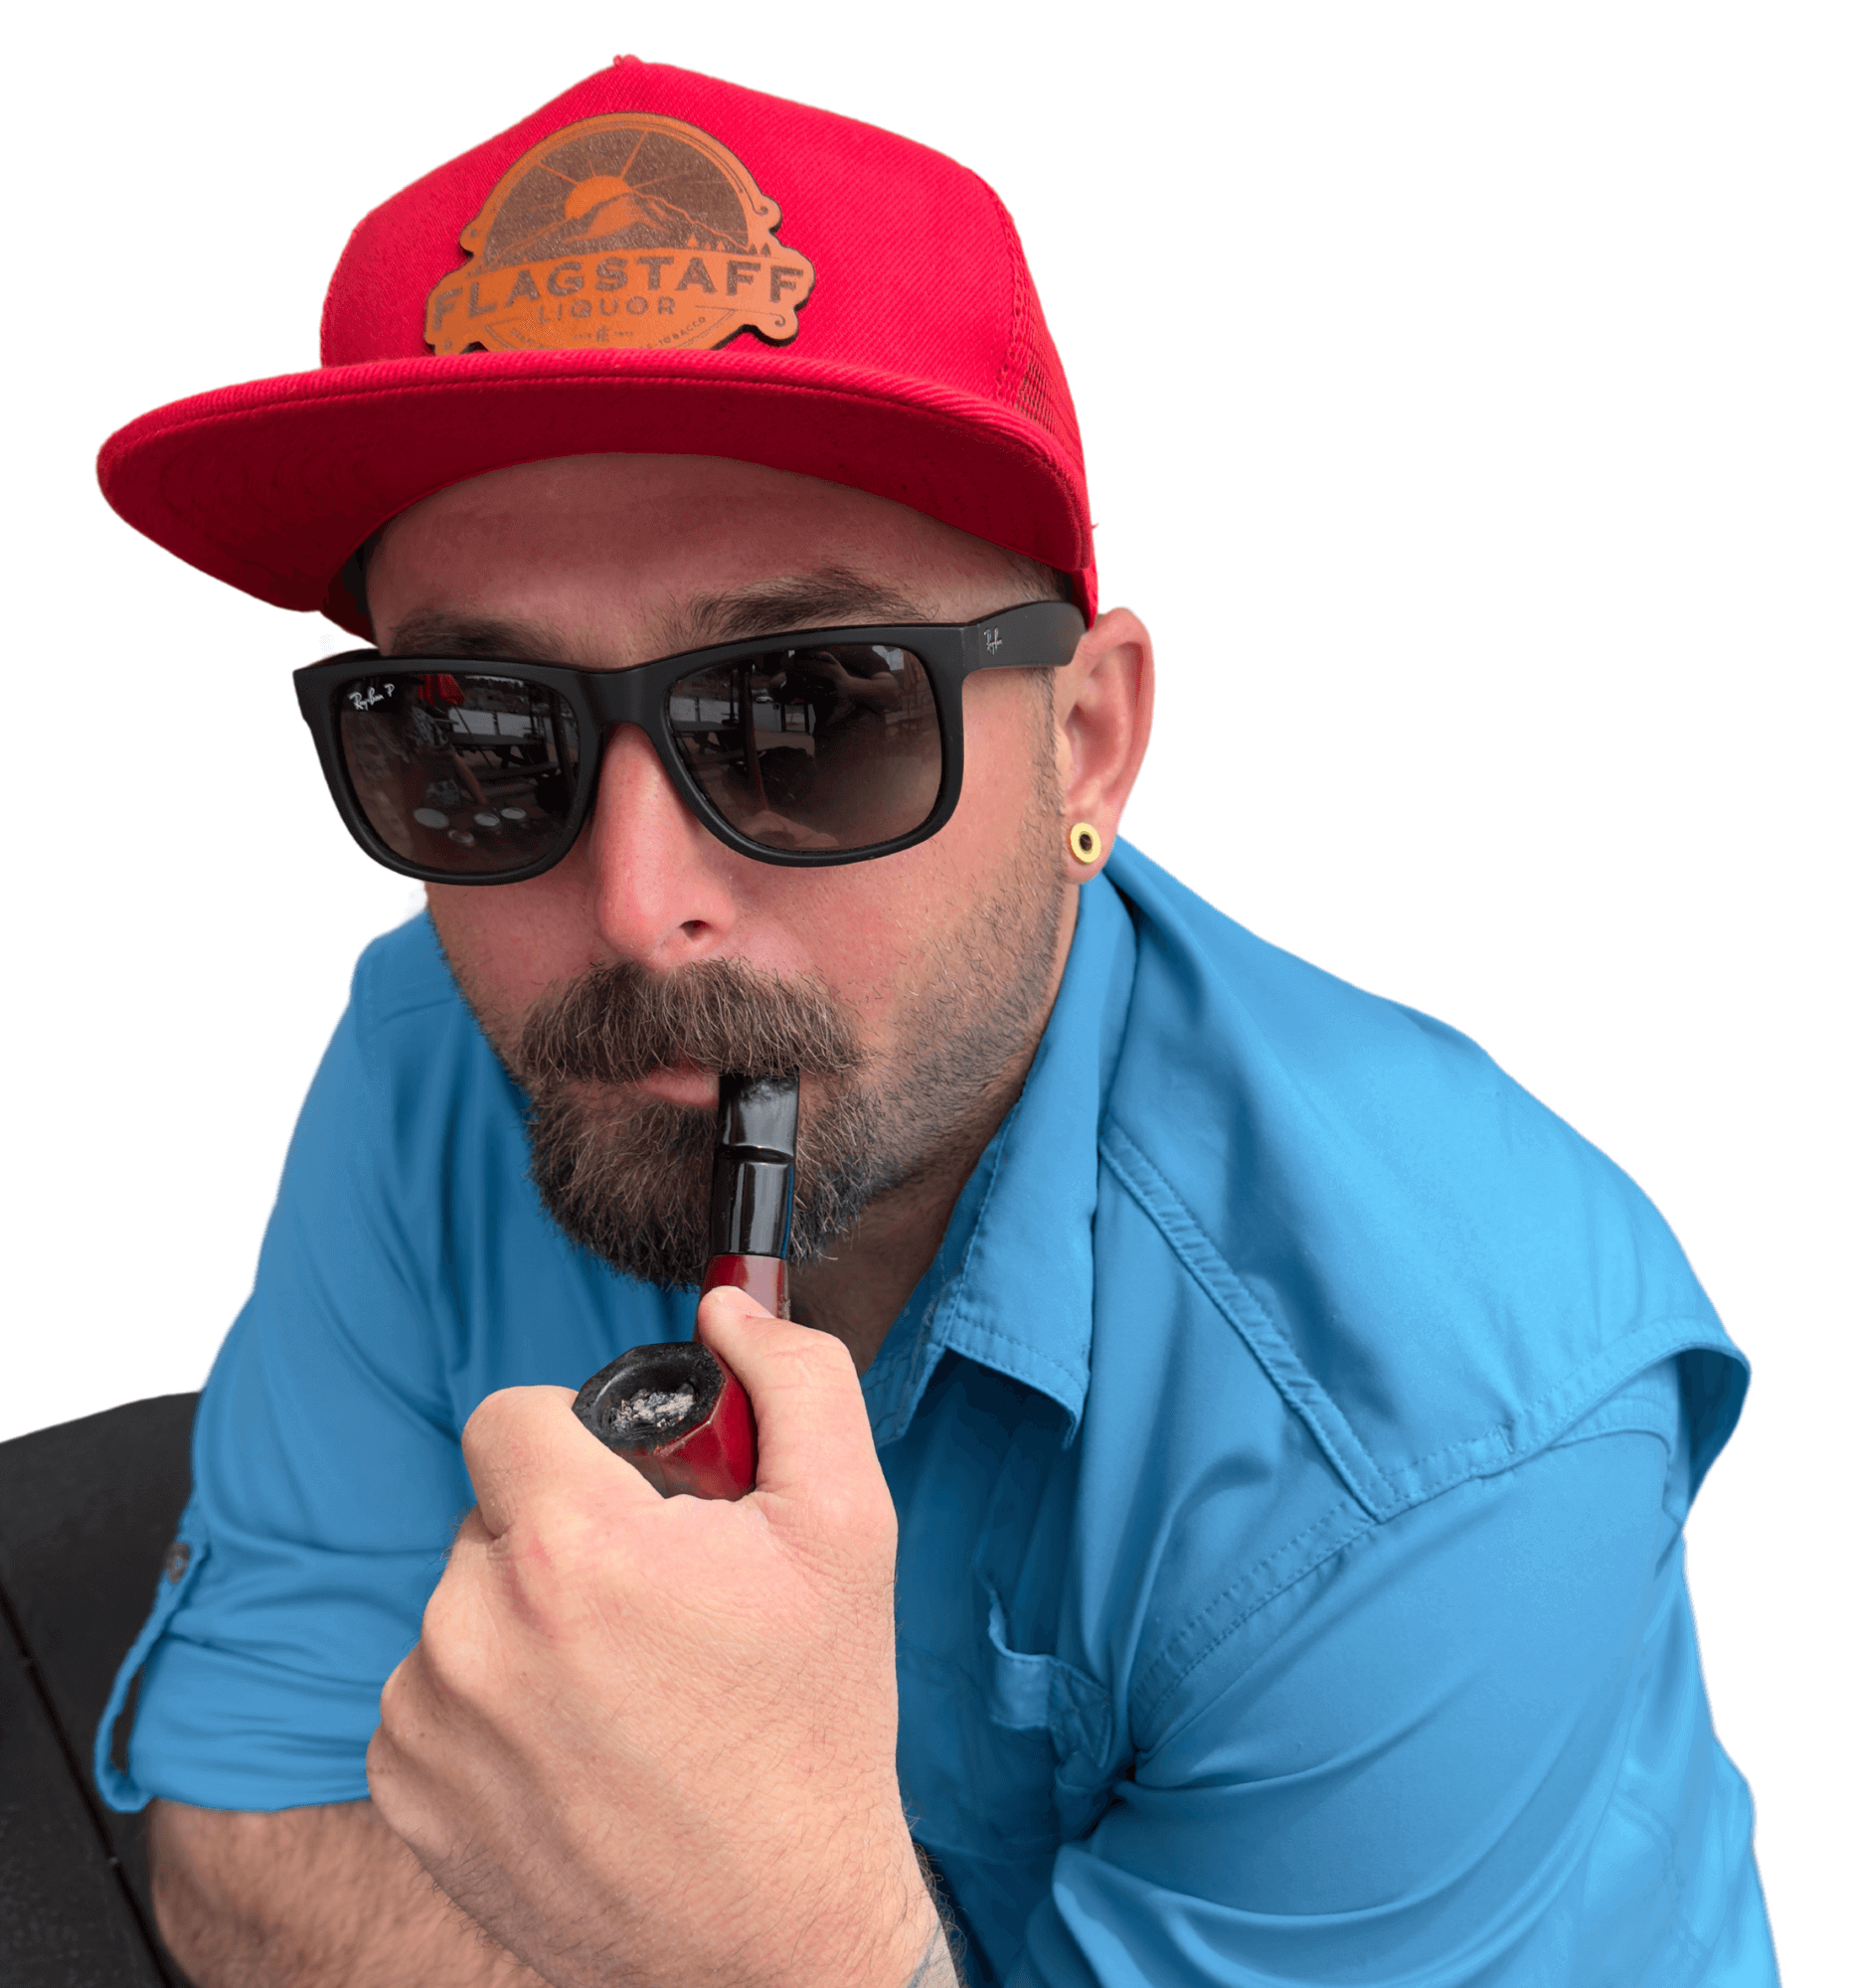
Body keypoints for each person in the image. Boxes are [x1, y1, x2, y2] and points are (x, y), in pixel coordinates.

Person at [90, 57, 1778, 1988]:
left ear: (1088, 739)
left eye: (805, 712)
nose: (639, 910)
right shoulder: (436, 1052)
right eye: (479, 736)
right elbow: (248, 1827)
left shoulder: (1449, 1431)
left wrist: (782, 1944)